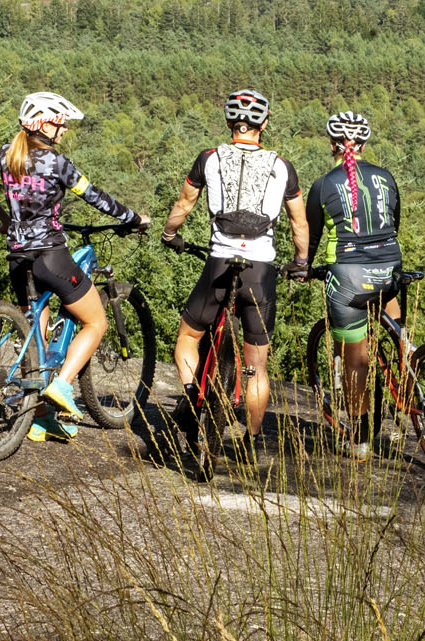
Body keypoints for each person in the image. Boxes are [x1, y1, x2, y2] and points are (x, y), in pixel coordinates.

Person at [160, 88, 309, 458]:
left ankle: (195, 402)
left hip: (219, 264)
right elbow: (299, 223)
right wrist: (301, 262)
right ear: (264, 124)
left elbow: (184, 203)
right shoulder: (282, 166)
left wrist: (170, 234)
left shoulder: (208, 158)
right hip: (260, 271)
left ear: (229, 122)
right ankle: (252, 441)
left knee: (187, 340)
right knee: (257, 366)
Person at [0, 90, 145, 441]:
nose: (63, 130)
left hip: (18, 258)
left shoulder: (6, 155)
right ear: (43, 126)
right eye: (59, 124)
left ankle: (39, 418)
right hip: (50, 255)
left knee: (37, 338)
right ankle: (63, 387)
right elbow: (94, 196)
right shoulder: (57, 164)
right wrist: (132, 217)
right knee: (96, 322)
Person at [302, 110, 401, 461]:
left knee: (355, 361)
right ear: (363, 143)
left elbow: (310, 241)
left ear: (333, 145)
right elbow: (395, 224)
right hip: (390, 269)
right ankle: (407, 375)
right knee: (395, 326)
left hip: (348, 277)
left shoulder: (324, 184)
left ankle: (360, 441)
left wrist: (302, 268)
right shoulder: (386, 177)